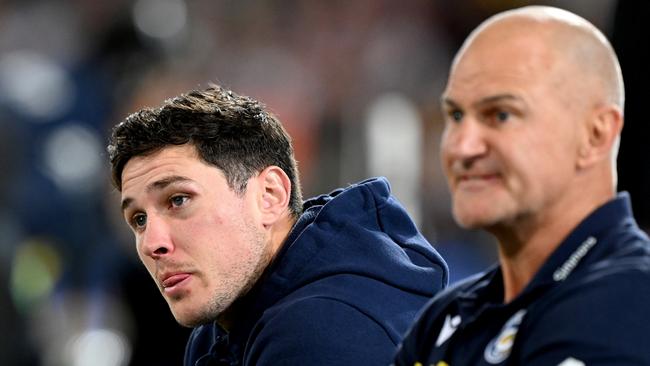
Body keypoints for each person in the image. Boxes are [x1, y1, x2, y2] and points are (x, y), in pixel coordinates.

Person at [107, 84, 448, 365]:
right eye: (138, 219)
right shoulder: (222, 326)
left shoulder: (324, 332)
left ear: (269, 195)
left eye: (178, 200)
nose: (152, 243)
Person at [394, 5, 650, 366]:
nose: (462, 147)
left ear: (595, 134)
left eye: (500, 114)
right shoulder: (443, 319)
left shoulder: (629, 302)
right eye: (455, 115)